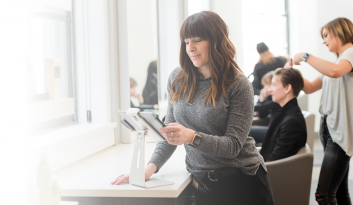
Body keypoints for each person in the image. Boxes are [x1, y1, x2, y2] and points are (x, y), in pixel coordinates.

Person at [112, 11, 274, 205]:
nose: (191, 48)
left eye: (197, 40)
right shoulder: (177, 78)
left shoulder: (238, 84)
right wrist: (148, 169)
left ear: (216, 41)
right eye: (186, 42)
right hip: (203, 183)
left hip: (241, 181)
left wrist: (191, 137)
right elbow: (169, 132)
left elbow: (232, 147)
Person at [286, 17, 353, 205]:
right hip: (328, 129)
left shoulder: (350, 54)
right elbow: (308, 87)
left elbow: (335, 72)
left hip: (340, 132)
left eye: (326, 36)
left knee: (323, 194)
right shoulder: (337, 61)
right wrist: (291, 72)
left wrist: (306, 56)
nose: (324, 41)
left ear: (339, 31)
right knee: (339, 192)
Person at [259, 68, 307, 162]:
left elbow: (274, 162)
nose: (270, 89)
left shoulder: (292, 123)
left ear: (287, 88)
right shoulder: (286, 113)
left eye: (274, 85)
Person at [249, 71, 280, 143]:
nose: (263, 88)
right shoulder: (270, 98)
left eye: (265, 85)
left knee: (246, 131)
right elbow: (263, 115)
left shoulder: (276, 100)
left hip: (274, 132)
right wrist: (262, 99)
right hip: (271, 129)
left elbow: (261, 107)